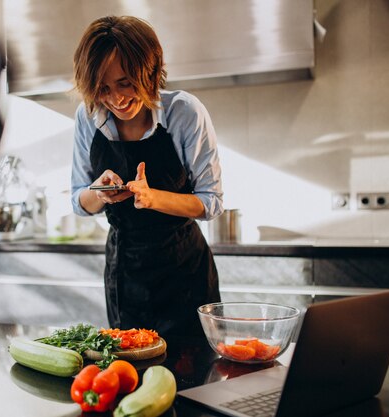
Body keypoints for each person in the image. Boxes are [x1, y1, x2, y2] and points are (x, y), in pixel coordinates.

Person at [70, 15, 223, 344]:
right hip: (124, 273)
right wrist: (100, 191)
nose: (116, 98)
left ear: (150, 70)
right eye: (103, 88)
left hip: (184, 273)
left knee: (193, 378)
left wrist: (153, 197)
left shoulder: (184, 112)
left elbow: (211, 202)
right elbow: (79, 200)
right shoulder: (88, 116)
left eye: (125, 83)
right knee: (130, 379)